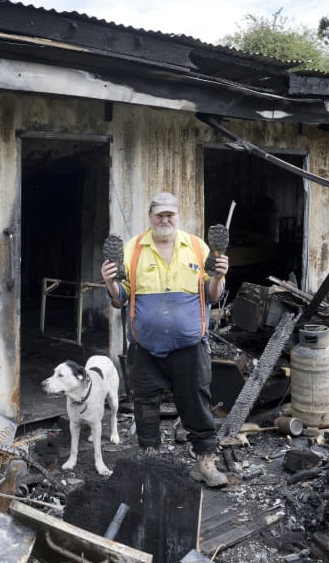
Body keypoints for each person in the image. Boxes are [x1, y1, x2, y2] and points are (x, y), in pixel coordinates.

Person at [101, 191, 230, 487]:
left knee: (196, 403)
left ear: (178, 216)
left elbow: (212, 296)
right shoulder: (132, 249)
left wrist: (219, 277)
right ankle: (150, 465)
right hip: (145, 349)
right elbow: (121, 299)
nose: (165, 219)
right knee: (145, 406)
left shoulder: (198, 248)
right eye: (159, 214)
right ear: (150, 217)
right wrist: (109, 282)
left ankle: (205, 464)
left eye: (170, 214)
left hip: (190, 348)